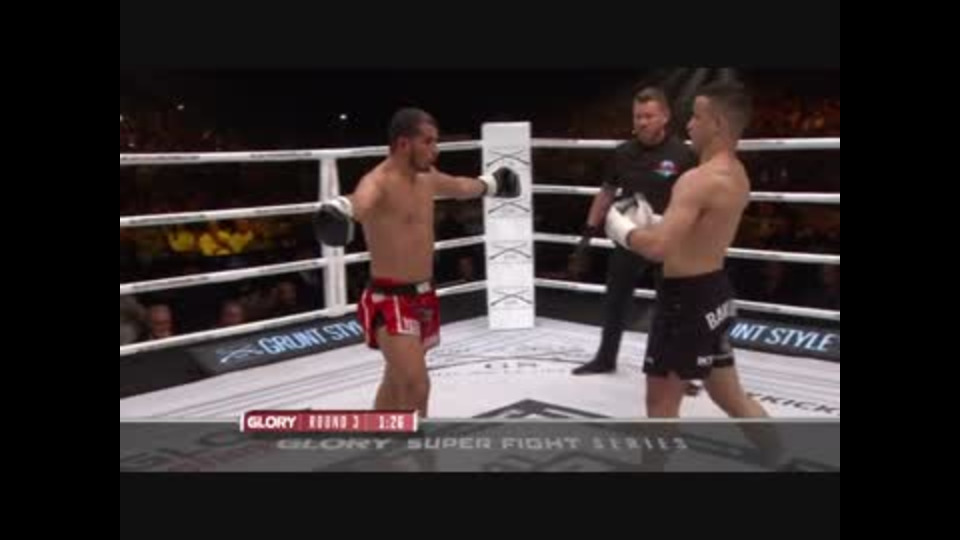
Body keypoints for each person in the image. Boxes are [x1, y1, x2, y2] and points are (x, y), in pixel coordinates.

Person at [312, 107, 520, 417]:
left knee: (397, 379)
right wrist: (339, 209)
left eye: (436, 142)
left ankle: (378, 433)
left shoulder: (426, 177)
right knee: (416, 385)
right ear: (403, 143)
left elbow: (460, 187)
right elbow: (359, 202)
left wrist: (492, 183)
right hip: (389, 300)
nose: (435, 150)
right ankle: (417, 446)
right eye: (428, 142)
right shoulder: (378, 181)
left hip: (422, 295)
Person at [603, 81, 769, 418]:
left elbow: (659, 249)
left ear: (717, 124)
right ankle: (785, 449)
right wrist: (657, 224)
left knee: (660, 406)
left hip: (685, 302)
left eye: (696, 117)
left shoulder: (696, 180)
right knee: (732, 399)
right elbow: (697, 233)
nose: (690, 125)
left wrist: (621, 229)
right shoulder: (737, 174)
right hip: (715, 292)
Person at [570, 87, 698, 383]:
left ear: (665, 116)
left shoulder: (684, 154)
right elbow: (607, 192)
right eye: (638, 116)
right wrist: (587, 235)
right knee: (615, 299)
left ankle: (678, 370)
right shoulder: (622, 153)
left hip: (668, 238)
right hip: (630, 236)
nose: (642, 122)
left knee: (672, 306)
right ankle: (605, 358)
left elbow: (695, 198)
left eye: (648, 116)